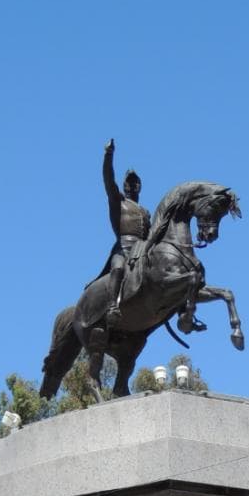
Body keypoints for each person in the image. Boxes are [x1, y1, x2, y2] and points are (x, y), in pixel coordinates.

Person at [89, 138, 151, 348]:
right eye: (129, 183)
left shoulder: (145, 212)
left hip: (143, 249)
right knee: (117, 268)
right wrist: (108, 156)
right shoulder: (118, 201)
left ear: (140, 186)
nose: (132, 185)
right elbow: (108, 178)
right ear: (124, 186)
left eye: (135, 182)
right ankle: (111, 307)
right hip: (124, 248)